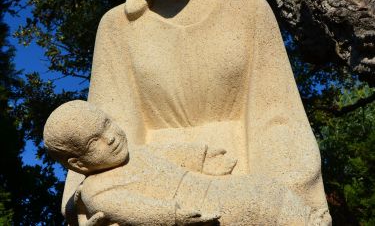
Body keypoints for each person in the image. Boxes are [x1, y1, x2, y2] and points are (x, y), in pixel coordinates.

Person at [59, 0, 331, 224]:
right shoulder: (116, 27)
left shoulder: (249, 11)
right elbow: (101, 131)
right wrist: (89, 202)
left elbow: (278, 119)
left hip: (246, 178)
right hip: (153, 194)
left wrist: (289, 196)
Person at [44, 100, 320, 225]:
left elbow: (170, 153)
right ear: (78, 164)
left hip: (208, 187)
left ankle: (305, 219)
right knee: (257, 205)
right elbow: (133, 210)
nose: (111, 138)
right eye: (95, 142)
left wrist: (201, 157)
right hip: (195, 209)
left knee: (264, 187)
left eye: (108, 124)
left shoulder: (135, 153)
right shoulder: (97, 191)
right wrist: (171, 216)